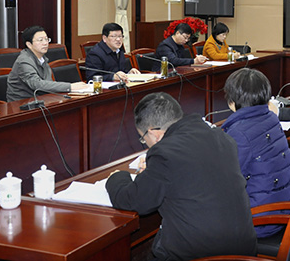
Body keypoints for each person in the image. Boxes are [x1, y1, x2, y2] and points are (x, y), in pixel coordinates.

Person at [106, 92, 257, 260]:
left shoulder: (165, 153)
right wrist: (153, 171)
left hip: (204, 255)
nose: (146, 143)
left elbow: (133, 200)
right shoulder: (220, 136)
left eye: (143, 139)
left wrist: (117, 177)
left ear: (154, 134)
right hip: (244, 251)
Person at [221, 68, 290, 237]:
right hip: (283, 207)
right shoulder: (271, 117)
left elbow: (226, 182)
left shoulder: (239, 133)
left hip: (260, 220)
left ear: (232, 101)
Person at [7, 26, 88, 102]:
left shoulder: (43, 59)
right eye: (40, 40)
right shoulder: (24, 61)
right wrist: (70, 87)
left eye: (46, 39)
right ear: (29, 44)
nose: (45, 43)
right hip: (21, 103)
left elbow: (48, 83)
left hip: (40, 99)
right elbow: (37, 85)